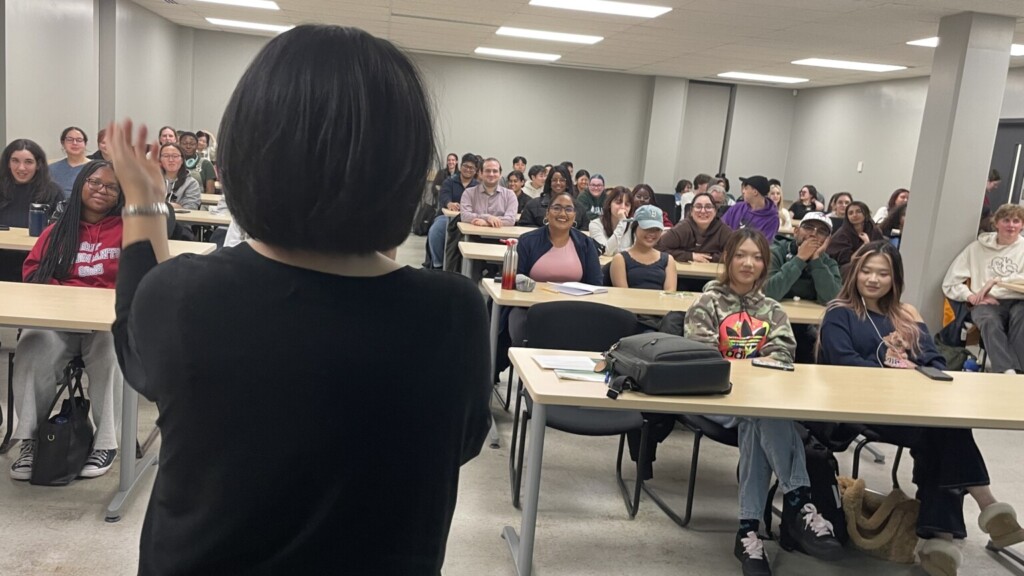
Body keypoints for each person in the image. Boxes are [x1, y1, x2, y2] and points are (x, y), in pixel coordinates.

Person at [107, 25, 490, 573]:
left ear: (244, 154)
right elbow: (462, 443)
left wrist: (143, 204)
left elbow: (136, 347)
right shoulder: (454, 313)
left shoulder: (187, 297)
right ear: (406, 170)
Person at [820, 241, 1024, 575]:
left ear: (895, 278)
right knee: (944, 430)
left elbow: (934, 360)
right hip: (863, 408)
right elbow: (846, 364)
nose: (873, 279)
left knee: (941, 432)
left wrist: (917, 370)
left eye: (883, 273)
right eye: (867, 271)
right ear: (855, 273)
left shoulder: (906, 314)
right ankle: (987, 508)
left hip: (913, 407)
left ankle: (940, 541)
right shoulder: (839, 313)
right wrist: (900, 373)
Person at [685, 228, 843, 576]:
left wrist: (751, 372)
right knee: (765, 413)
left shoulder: (772, 309)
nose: (748, 263)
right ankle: (800, 503)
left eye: (757, 257)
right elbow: (703, 355)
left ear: (765, 265)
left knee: (759, 418)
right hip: (717, 398)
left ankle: (748, 534)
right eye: (741, 255)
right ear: (728, 259)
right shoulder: (706, 303)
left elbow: (784, 352)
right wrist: (752, 368)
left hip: (757, 401)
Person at [10, 161, 125, 481]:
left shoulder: (127, 231)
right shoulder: (58, 229)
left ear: (119, 196)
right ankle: (30, 441)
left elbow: (138, 278)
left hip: (103, 324)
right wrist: (68, 298)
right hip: (59, 322)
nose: (102, 190)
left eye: (111, 187)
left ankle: (106, 443)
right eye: (95, 182)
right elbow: (33, 273)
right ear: (81, 185)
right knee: (32, 341)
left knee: (111, 347)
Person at [942, 204, 1024, 374]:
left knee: (1021, 318)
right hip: (985, 301)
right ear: (996, 223)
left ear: (1022, 225)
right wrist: (971, 296)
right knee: (988, 321)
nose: (1011, 225)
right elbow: (950, 282)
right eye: (1006, 220)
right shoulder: (976, 249)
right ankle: (1006, 371)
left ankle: (1019, 371)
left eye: (1016, 221)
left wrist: (997, 281)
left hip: (1018, 299)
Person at [511, 190, 602, 342]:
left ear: (574, 216)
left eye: (568, 209)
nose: (562, 213)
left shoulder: (585, 243)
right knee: (520, 324)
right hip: (531, 308)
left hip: (574, 309)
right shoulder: (527, 241)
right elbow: (514, 279)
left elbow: (596, 283)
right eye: (557, 208)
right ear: (547, 213)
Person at [764, 212, 839, 363]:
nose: (814, 234)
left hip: (809, 328)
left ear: (827, 241)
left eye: (822, 232)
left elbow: (832, 299)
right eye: (809, 228)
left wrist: (816, 261)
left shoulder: (828, 263)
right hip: (772, 321)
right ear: (796, 231)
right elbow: (769, 292)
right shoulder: (776, 252)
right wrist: (799, 259)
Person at [426, 152, 477, 269]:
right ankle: (438, 264)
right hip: (447, 217)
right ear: (461, 166)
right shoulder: (450, 181)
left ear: (475, 170)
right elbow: (443, 196)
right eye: (466, 166)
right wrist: (449, 203)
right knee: (436, 231)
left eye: (472, 168)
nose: (468, 170)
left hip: (469, 220)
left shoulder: (477, 186)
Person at [610, 204, 676, 291]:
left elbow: (670, 295)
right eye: (646, 228)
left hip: (659, 304)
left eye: (656, 229)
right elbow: (623, 294)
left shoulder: (668, 260)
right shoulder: (620, 259)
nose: (652, 233)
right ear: (635, 227)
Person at [0, 139, 63, 228]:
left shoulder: (53, 192)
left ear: (38, 165)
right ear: (8, 163)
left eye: (28, 162)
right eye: (15, 161)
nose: (21, 168)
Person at [656, 191, 732, 264]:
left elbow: (734, 253)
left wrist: (711, 258)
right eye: (698, 206)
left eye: (708, 207)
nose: (703, 211)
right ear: (691, 211)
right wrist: (690, 256)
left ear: (715, 211)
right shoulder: (683, 228)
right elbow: (658, 248)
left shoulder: (723, 230)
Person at [519, 165, 588, 229]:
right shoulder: (533, 205)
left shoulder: (579, 208)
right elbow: (523, 227)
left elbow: (584, 231)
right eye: (554, 180)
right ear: (549, 182)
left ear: (567, 183)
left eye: (562, 180)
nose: (558, 183)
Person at [825, 200, 883, 271]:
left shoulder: (874, 230)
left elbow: (881, 252)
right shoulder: (842, 234)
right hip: (844, 269)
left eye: (858, 211)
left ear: (866, 214)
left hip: (872, 265)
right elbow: (849, 262)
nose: (854, 215)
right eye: (850, 213)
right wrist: (865, 245)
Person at [460, 158, 516, 227]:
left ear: (500, 174)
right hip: (473, 235)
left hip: (501, 236)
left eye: (495, 171)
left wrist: (486, 223)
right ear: (480, 173)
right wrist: (488, 217)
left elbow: (510, 220)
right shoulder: (468, 193)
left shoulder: (510, 195)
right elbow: (465, 216)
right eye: (487, 171)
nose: (491, 174)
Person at [722, 175, 781, 241]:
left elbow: (763, 244)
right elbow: (721, 227)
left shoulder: (772, 218)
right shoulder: (737, 207)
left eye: (746, 188)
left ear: (755, 192)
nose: (743, 191)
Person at [588, 186, 633, 255]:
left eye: (627, 204)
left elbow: (636, 252)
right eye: (618, 202)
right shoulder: (595, 225)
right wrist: (623, 222)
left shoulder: (633, 225)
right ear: (609, 204)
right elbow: (605, 251)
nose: (623, 207)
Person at [49, 126, 91, 199]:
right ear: (63, 143)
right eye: (69, 139)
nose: (74, 143)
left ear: (85, 143)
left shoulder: (97, 168)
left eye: (79, 140)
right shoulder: (51, 169)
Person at [158, 143, 201, 210]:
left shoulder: (191, 183)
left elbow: (191, 208)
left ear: (182, 160)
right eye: (166, 156)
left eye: (175, 156)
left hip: (180, 219)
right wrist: (177, 206)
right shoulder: (151, 181)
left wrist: (160, 205)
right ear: (160, 160)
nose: (171, 160)